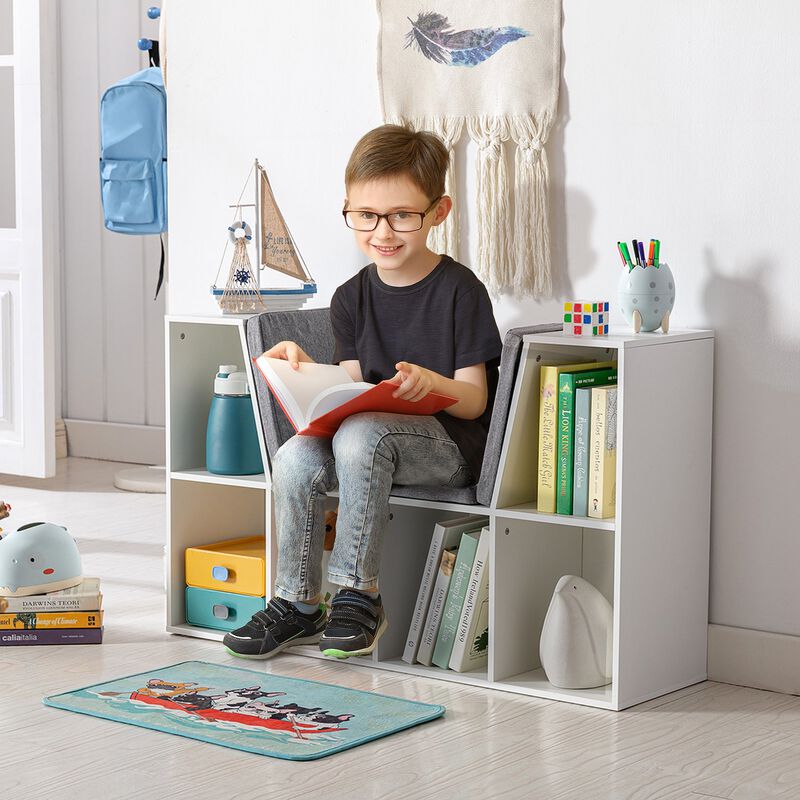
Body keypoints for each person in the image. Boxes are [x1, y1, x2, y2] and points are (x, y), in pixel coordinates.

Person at [223, 124, 502, 661]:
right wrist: (308, 371)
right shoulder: (351, 297)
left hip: (448, 449)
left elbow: (474, 401)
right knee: (297, 455)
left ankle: (359, 593)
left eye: (402, 215)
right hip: (367, 442)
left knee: (363, 435)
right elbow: (352, 385)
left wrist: (433, 384)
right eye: (366, 216)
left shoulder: (460, 291)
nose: (383, 232)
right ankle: (298, 605)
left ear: (438, 213)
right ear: (349, 210)